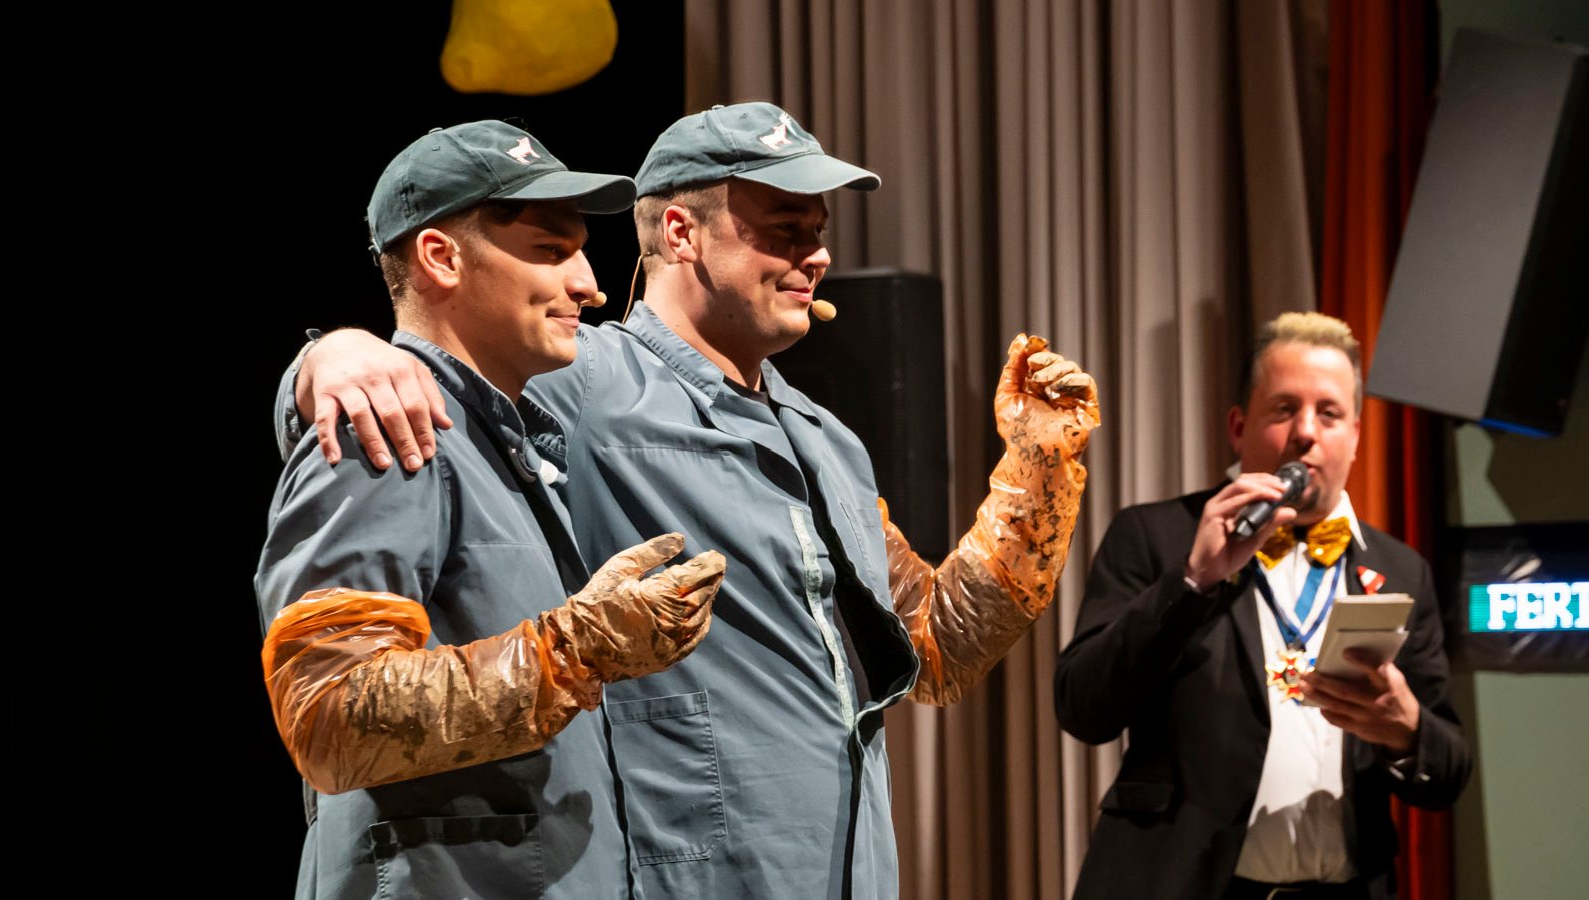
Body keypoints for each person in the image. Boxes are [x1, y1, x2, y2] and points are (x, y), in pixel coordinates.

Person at [281, 102, 1101, 898]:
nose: (815, 255)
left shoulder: (828, 442)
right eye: (785, 230)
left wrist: (1039, 468)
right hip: (684, 873)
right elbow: (438, 375)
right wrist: (329, 360)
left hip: (841, 872)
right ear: (680, 234)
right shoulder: (588, 376)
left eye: (817, 232)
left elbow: (937, 645)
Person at [254, 120, 729, 900]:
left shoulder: (502, 442)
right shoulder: (388, 427)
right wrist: (574, 651)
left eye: (581, 251)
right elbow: (329, 715)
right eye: (550, 250)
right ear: (441, 258)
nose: (590, 285)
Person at [1054, 311, 1470, 900]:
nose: (1306, 432)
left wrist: (1408, 731)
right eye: (1283, 409)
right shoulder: (1156, 537)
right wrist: (1193, 581)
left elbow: (1448, 773)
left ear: (1355, 435)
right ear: (1238, 426)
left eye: (1329, 413)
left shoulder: (1402, 570)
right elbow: (1083, 710)